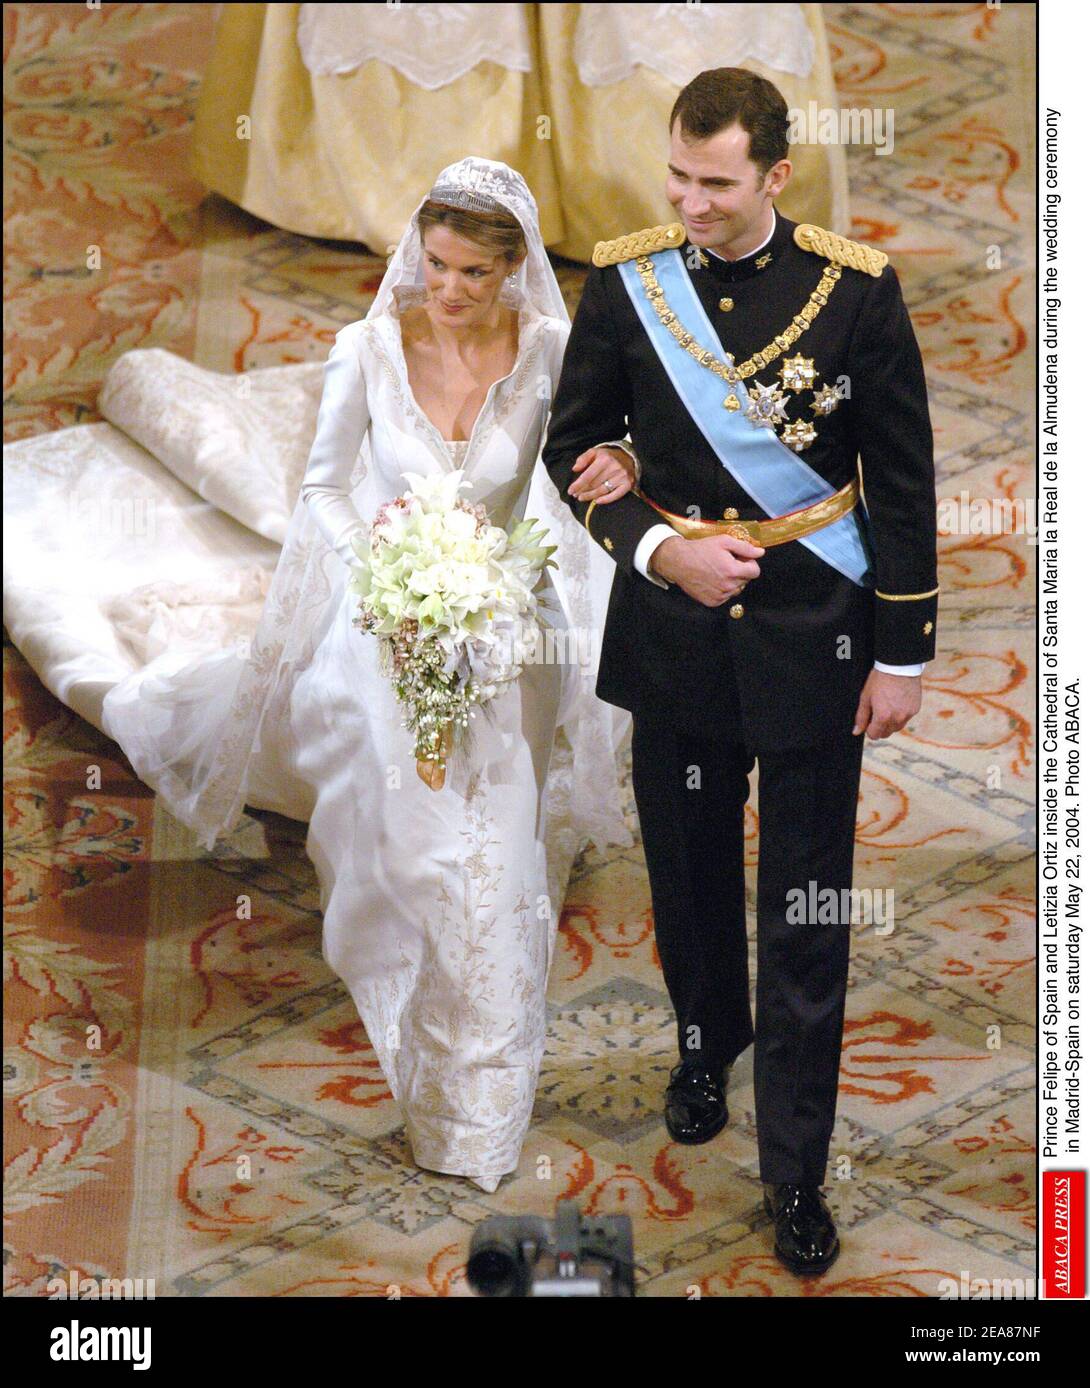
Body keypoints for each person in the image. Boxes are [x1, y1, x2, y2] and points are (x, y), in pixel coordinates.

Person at [100, 157, 640, 1191]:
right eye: (434, 263)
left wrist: (511, 572)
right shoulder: (366, 349)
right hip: (384, 611)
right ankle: (394, 958)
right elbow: (322, 494)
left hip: (504, 621)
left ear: (512, 270)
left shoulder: (554, 353)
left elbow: (570, 487)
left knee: (488, 859)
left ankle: (471, 1107)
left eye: (473, 273)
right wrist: (392, 582)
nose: (446, 288)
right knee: (398, 847)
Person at [542, 69, 938, 1273]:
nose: (689, 200)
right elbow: (571, 449)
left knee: (806, 911)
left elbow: (904, 478)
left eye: (715, 182)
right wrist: (661, 548)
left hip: (817, 627)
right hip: (678, 631)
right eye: (677, 174)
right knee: (690, 869)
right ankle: (704, 1044)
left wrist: (903, 652)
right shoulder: (623, 283)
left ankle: (797, 1171)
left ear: (775, 176)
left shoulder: (855, 295)